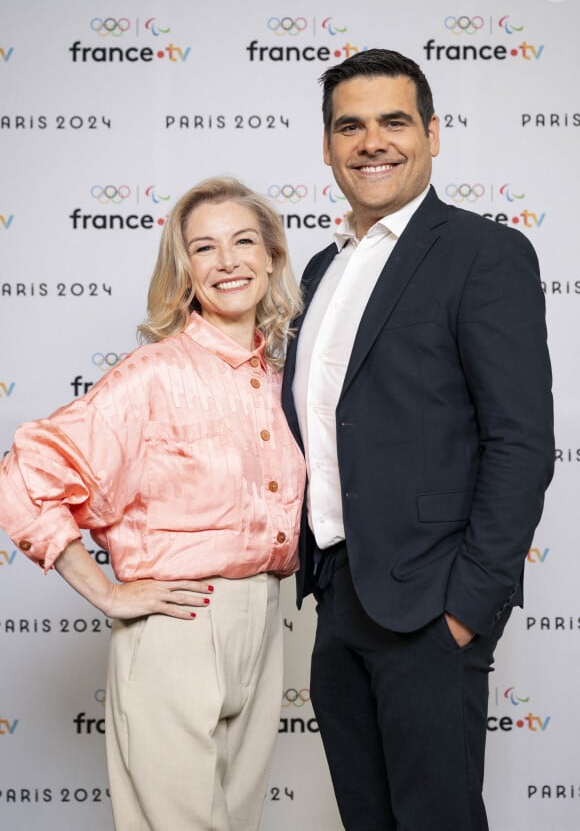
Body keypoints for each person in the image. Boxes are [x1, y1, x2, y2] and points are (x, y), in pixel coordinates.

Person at [281, 49, 554, 830]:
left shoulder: (483, 253)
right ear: (328, 146)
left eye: (394, 121)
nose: (373, 142)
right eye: (351, 126)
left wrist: (467, 606)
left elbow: (521, 441)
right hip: (339, 599)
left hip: (432, 609)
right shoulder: (322, 269)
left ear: (432, 134)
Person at [0, 176, 306, 831]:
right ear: (185, 270)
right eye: (204, 248)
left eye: (244, 241)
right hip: (178, 625)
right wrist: (108, 594)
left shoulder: (287, 384)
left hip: (263, 622)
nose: (227, 261)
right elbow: (27, 473)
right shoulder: (155, 373)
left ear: (273, 257)